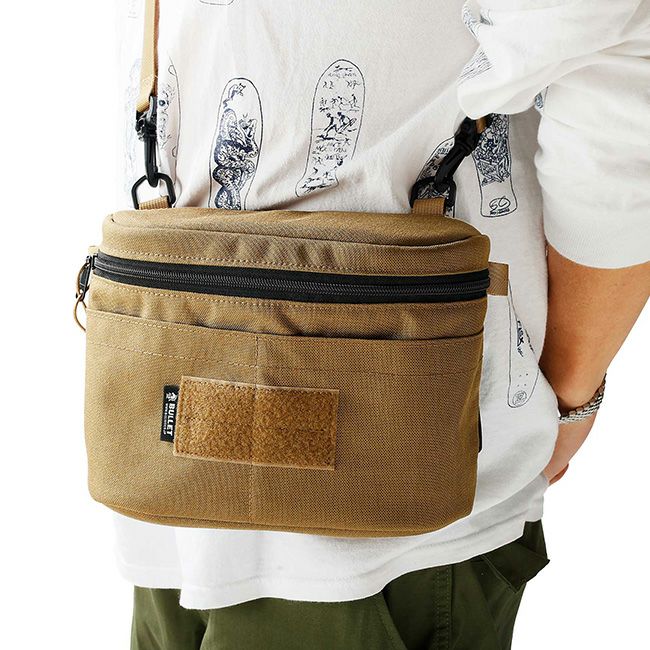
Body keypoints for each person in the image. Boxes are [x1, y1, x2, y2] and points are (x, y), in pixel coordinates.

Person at [115, 1, 650, 648]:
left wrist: (568, 386)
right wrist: (570, 391)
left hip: (376, 531)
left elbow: (621, 74)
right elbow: (620, 95)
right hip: (180, 495)